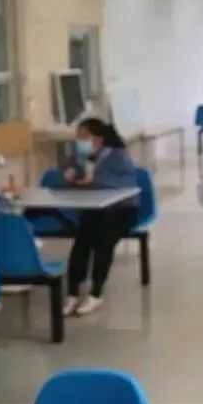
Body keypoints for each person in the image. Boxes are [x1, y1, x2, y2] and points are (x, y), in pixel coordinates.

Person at [63, 118, 139, 317]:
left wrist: (96, 179)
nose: (80, 141)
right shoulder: (80, 155)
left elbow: (129, 182)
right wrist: (69, 175)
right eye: (78, 137)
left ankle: (96, 292)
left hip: (123, 210)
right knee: (81, 241)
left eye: (84, 137)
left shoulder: (118, 155)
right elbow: (67, 172)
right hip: (95, 209)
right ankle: (72, 292)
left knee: (103, 240)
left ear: (99, 138)